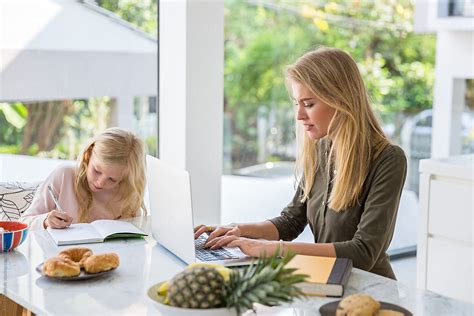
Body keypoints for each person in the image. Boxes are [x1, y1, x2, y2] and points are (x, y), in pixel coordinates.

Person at [195, 47, 407, 279]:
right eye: (297, 103)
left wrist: (273, 250)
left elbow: (364, 252)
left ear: (340, 99)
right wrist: (238, 231)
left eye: (308, 104)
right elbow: (291, 221)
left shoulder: (388, 159)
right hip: (328, 280)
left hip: (371, 290)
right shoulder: (321, 148)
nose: (299, 116)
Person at [21, 127, 147, 230]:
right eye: (97, 171)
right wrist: (46, 221)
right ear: (88, 154)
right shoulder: (64, 175)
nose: (100, 182)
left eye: (112, 179)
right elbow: (23, 223)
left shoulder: (128, 193)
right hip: (62, 258)